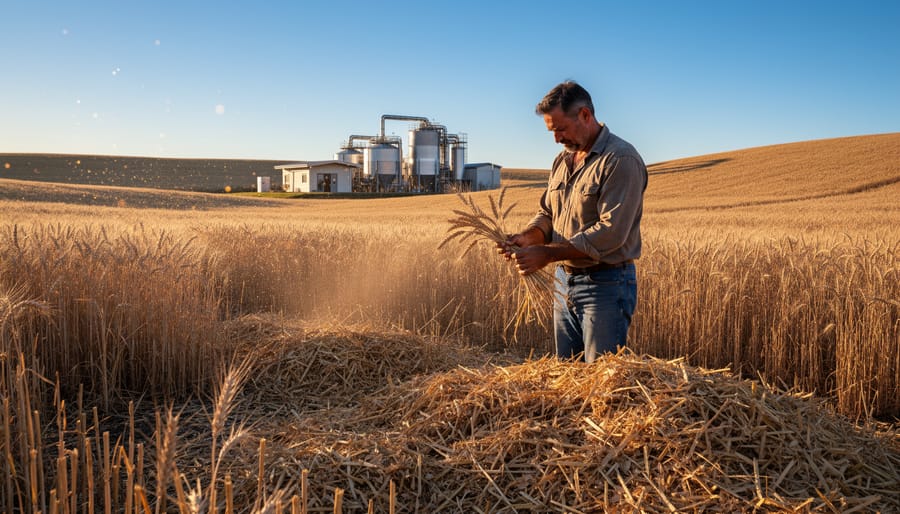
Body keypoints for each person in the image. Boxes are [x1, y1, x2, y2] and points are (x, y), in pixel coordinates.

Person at [498, 80, 647, 362]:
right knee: (568, 377)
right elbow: (548, 213)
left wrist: (546, 254)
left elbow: (610, 232)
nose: (556, 139)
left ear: (585, 116)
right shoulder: (562, 161)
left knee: (601, 382)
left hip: (605, 285)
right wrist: (529, 237)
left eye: (560, 129)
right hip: (564, 282)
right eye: (551, 131)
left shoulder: (620, 159)